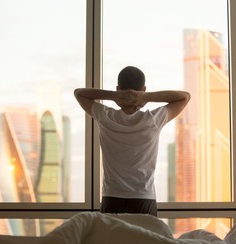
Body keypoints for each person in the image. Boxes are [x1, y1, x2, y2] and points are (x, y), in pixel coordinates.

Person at [74, 66, 190, 216]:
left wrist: (114, 96)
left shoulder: (105, 116)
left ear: (118, 89)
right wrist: (146, 97)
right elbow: (184, 97)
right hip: (143, 198)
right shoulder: (153, 120)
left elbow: (79, 93)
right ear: (144, 89)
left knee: (112, 240)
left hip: (112, 198)